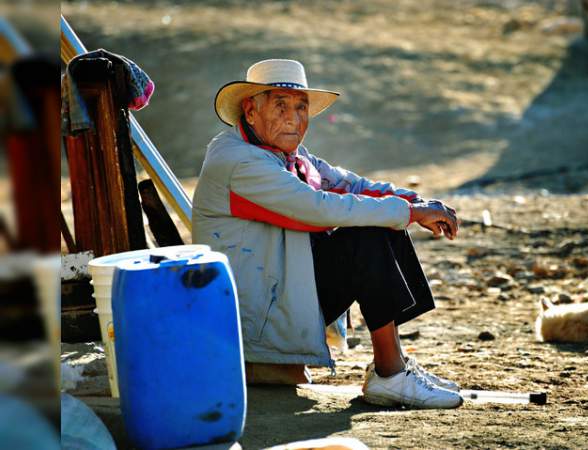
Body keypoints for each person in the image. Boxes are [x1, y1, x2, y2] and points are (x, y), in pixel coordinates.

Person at [192, 59, 462, 409]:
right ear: (250, 110)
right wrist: (411, 213)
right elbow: (318, 210)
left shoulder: (289, 154)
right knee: (368, 232)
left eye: (301, 107)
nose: (294, 117)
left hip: (284, 290)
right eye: (281, 106)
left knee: (381, 221)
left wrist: (416, 201)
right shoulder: (238, 161)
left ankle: (392, 365)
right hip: (255, 314)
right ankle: (390, 373)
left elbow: (354, 186)